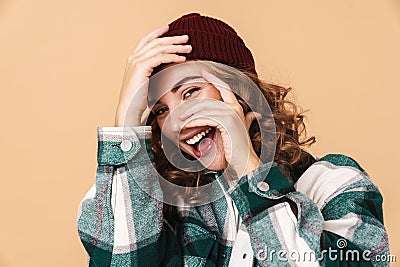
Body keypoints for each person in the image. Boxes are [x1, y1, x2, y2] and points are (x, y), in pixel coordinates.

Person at [77, 13, 389, 266]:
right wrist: (126, 123)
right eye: (160, 110)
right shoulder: (161, 208)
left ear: (240, 91)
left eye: (190, 92)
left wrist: (249, 169)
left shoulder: (335, 185)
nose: (176, 121)